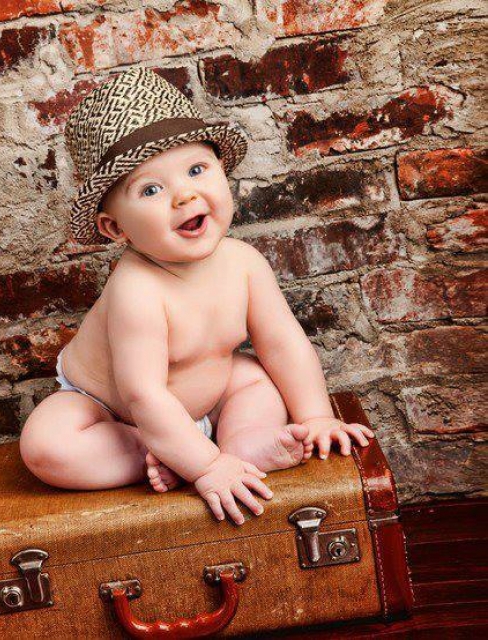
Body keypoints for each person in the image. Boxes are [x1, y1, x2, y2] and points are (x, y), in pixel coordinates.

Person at [19, 66, 374, 526]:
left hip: (206, 395)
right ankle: (166, 452)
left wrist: (316, 417)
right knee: (46, 445)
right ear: (115, 228)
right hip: (109, 411)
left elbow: (284, 344)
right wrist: (204, 467)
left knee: (255, 377)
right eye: (151, 189)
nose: (184, 195)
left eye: (196, 169)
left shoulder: (244, 263)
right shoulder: (136, 289)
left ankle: (242, 442)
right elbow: (143, 394)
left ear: (222, 171)